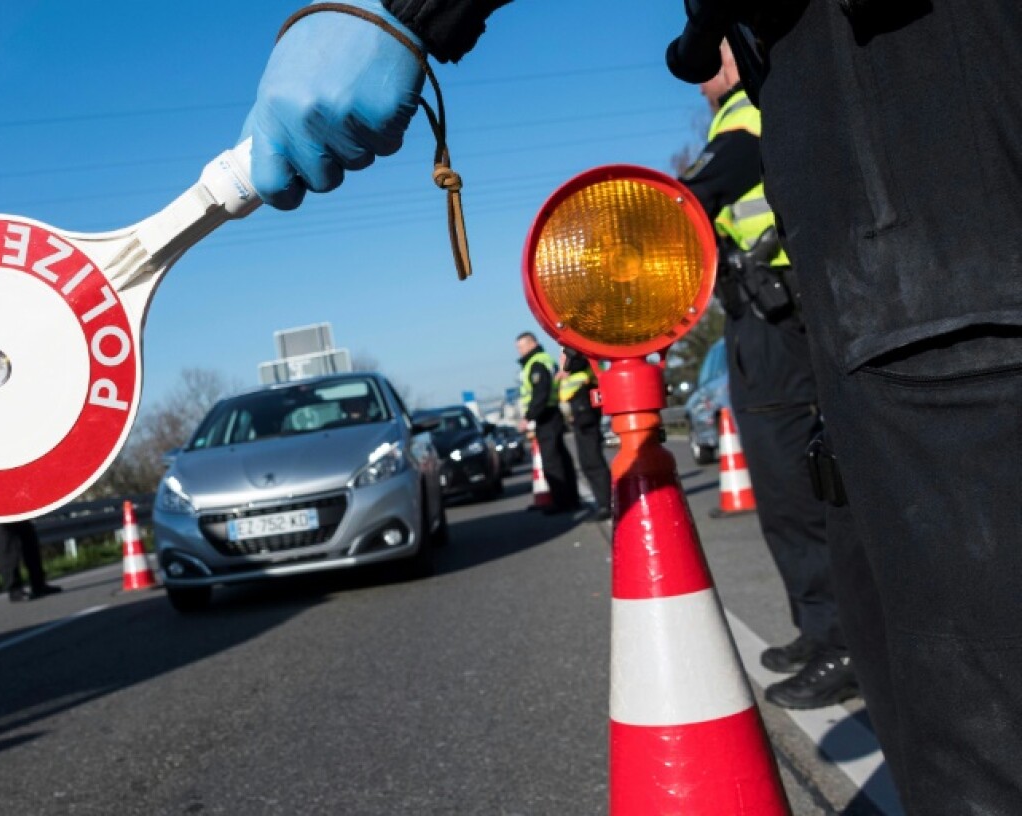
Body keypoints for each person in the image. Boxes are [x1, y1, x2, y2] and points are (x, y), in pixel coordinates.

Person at [240, 2, 1022, 810]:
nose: (705, 63)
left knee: (978, 678)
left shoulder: (776, 106)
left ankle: (842, 650)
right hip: (856, 264)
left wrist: (403, 11)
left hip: (915, 180)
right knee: (912, 632)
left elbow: (712, 181)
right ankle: (835, 641)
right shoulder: (773, 92)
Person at [677, 42, 855, 709]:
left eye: (712, 56)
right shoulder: (730, 119)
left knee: (795, 491)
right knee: (781, 493)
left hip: (780, 318)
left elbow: (698, 194)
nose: (703, 77)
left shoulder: (749, 112)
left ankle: (843, 642)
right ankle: (818, 628)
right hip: (757, 317)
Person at [515, 331, 581, 514]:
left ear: (532, 344)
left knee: (552, 461)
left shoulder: (536, 363)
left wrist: (529, 417)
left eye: (521, 347)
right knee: (561, 458)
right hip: (552, 414)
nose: (519, 351)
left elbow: (540, 393)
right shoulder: (544, 360)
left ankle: (562, 501)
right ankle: (571, 499)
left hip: (546, 416)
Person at [557, 348, 611, 521]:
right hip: (581, 409)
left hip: (585, 408)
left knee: (592, 460)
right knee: (588, 461)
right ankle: (604, 502)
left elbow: (579, 362)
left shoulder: (578, 348)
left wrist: (566, 367)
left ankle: (606, 504)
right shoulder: (575, 347)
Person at [0, 520, 61, 602]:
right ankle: (15, 590)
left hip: (19, 514)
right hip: (2, 517)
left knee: (30, 542)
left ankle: (39, 585)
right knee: (8, 547)